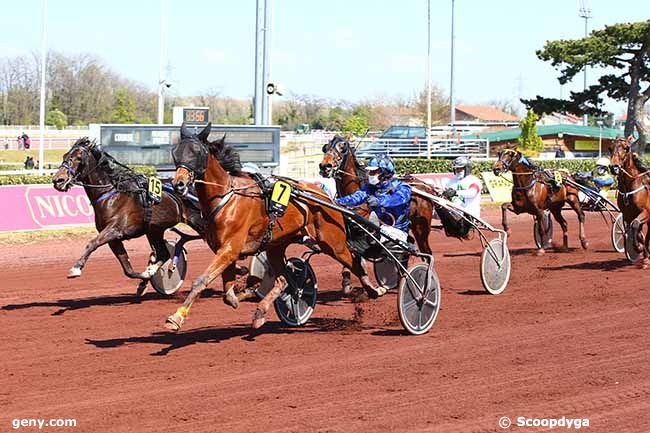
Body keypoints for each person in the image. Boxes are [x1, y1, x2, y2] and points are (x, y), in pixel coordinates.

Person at [335, 154, 412, 234]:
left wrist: (379, 201)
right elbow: (357, 197)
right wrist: (338, 201)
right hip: (378, 229)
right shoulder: (370, 187)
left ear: (384, 172)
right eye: (370, 172)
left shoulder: (402, 187)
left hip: (398, 231)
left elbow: (397, 199)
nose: (370, 175)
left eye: (373, 172)